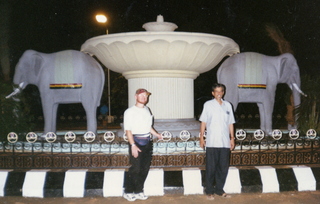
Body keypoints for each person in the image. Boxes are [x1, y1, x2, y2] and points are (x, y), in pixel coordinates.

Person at [123, 88, 163, 202]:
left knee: (144, 168)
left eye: (145, 96)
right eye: (141, 95)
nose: (144, 97)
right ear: (136, 97)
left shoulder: (147, 110)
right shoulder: (129, 112)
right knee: (135, 168)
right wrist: (133, 145)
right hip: (136, 141)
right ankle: (128, 191)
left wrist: (157, 134)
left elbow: (148, 127)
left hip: (147, 142)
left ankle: (139, 190)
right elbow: (128, 130)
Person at [199, 83, 235, 200]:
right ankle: (209, 190)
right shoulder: (208, 105)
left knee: (223, 167)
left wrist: (232, 138)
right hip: (212, 142)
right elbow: (203, 122)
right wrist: (201, 138)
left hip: (224, 142)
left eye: (221, 91)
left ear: (223, 92)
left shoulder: (228, 105)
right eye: (217, 91)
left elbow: (230, 123)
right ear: (213, 93)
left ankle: (219, 189)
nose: (219, 94)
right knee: (211, 167)